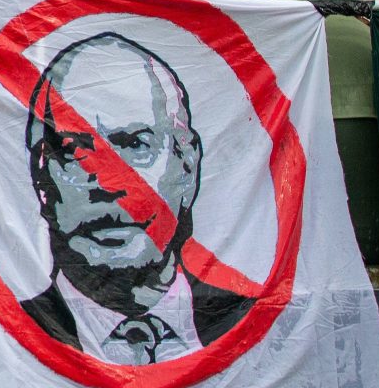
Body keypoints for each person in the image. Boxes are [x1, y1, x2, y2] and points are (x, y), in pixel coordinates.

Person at [18, 33, 249, 363]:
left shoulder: (256, 325)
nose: (107, 183)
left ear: (187, 167)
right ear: (41, 173)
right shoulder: (0, 338)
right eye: (74, 150)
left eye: (137, 145)